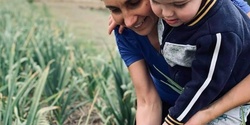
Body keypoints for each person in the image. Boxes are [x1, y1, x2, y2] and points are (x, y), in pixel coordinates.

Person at [103, 0, 250, 124]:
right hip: (172, 107)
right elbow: (147, 102)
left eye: (134, 3)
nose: (129, 21)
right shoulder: (126, 30)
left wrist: (206, 114)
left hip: (228, 105)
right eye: (115, 9)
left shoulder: (221, 21)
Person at [149, 0, 250, 124]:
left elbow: (206, 83)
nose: (167, 13)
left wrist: (174, 120)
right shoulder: (180, 12)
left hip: (231, 99)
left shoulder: (219, 32)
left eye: (180, 4)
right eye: (155, 2)